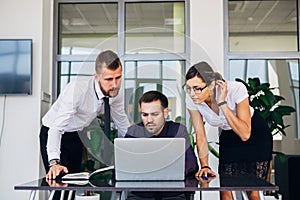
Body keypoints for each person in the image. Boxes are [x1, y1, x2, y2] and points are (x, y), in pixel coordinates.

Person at [184, 61, 273, 200]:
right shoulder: (192, 100)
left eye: (197, 88)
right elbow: (200, 135)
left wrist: (222, 103)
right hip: (228, 135)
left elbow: (245, 134)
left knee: (251, 190)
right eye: (188, 88)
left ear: (211, 84)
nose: (192, 94)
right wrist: (205, 166)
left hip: (254, 133)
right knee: (225, 188)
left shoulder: (235, 89)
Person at [40, 50, 130, 180]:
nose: (115, 84)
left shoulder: (115, 92)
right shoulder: (77, 90)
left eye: (118, 77)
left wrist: (134, 146)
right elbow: (57, 127)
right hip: (53, 132)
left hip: (76, 134)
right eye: (109, 79)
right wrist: (54, 162)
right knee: (58, 182)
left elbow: (121, 121)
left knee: (75, 181)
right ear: (97, 77)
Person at [125, 90, 199, 200]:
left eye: (154, 114)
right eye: (145, 115)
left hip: (173, 195)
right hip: (140, 195)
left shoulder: (177, 130)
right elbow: (123, 166)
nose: (149, 120)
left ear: (165, 113)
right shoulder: (134, 132)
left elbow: (191, 165)